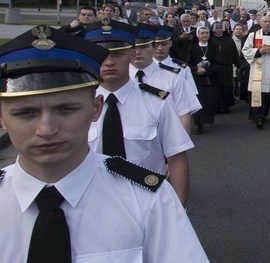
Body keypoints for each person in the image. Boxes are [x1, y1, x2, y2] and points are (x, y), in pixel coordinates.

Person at [0, 25, 208, 262]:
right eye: (25, 114)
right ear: (2, 118)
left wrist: (178, 210)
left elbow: (176, 156)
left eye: (66, 109)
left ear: (95, 109)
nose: (46, 130)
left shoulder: (150, 201)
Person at [81, 19, 194, 207]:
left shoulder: (156, 102)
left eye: (117, 54)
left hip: (146, 203)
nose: (109, 62)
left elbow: (177, 159)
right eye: (102, 55)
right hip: (91, 202)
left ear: (132, 54)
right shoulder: (77, 106)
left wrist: (178, 211)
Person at [130, 24, 201, 135]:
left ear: (170, 44)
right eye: (157, 45)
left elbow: (187, 104)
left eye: (163, 44)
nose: (160, 48)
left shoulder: (178, 71)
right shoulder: (126, 74)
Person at [242, 15, 270, 129]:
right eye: (265, 22)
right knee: (256, 93)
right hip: (256, 70)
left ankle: (263, 115)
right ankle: (256, 116)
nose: (267, 24)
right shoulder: (253, 36)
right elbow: (245, 50)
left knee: (266, 94)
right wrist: (259, 51)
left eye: (269, 22)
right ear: (260, 24)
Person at [187, 27, 220, 134]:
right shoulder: (192, 48)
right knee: (199, 101)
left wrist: (206, 70)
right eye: (202, 33)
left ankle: (210, 118)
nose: (204, 35)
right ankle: (199, 124)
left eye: (206, 33)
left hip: (211, 79)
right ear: (198, 35)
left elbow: (218, 63)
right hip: (197, 80)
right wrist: (196, 70)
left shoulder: (214, 47)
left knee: (210, 101)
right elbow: (188, 64)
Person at [209, 21, 242, 113]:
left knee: (226, 87)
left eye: (220, 28)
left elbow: (234, 53)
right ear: (213, 29)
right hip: (215, 67)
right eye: (217, 28)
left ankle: (226, 105)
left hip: (227, 67)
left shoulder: (228, 39)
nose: (219, 30)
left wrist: (238, 64)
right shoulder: (210, 39)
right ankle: (217, 106)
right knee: (216, 87)